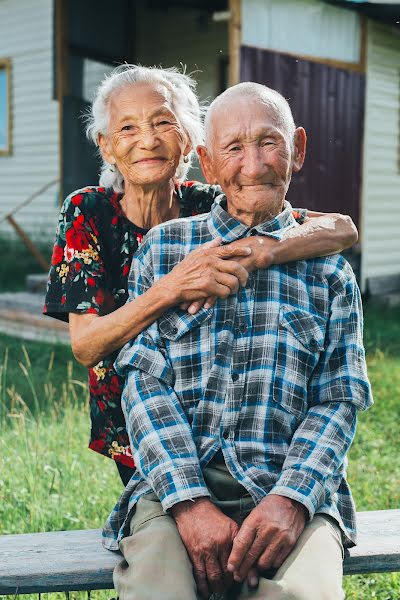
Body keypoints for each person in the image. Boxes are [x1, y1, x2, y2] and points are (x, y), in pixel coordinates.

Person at [104, 82, 373, 600]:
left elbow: (339, 400)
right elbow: (143, 385)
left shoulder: (330, 271)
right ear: (207, 164)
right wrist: (188, 503)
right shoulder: (165, 251)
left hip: (291, 485)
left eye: (269, 142)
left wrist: (291, 500)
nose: (253, 166)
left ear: (298, 148)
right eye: (233, 148)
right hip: (173, 487)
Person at [44, 65, 358, 488]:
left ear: (190, 141)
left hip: (209, 416)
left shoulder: (211, 201)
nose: (148, 140)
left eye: (163, 122)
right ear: (106, 147)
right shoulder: (88, 211)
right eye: (128, 128)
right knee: (165, 517)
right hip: (130, 409)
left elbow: (339, 227)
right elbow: (85, 345)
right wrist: (172, 285)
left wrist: (270, 249)